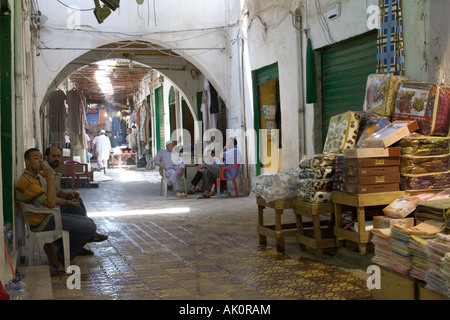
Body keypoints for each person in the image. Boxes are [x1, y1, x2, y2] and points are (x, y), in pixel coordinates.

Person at [16, 148, 97, 270]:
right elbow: (50, 203)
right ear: (27, 162)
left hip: (47, 215)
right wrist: (49, 177)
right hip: (42, 220)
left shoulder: (34, 177)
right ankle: (63, 253)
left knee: (80, 212)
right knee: (90, 227)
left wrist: (66, 202)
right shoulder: (29, 181)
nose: (40, 161)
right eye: (36, 158)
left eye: (40, 158)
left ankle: (55, 248)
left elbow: (49, 198)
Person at [41, 147, 108, 253]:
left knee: (77, 200)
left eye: (59, 156)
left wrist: (66, 194)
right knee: (77, 210)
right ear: (46, 157)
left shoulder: (50, 170)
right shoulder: (44, 172)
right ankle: (86, 237)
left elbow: (54, 190)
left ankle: (84, 240)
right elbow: (49, 195)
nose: (57, 159)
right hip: (48, 210)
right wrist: (65, 200)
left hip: (52, 204)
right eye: (54, 156)